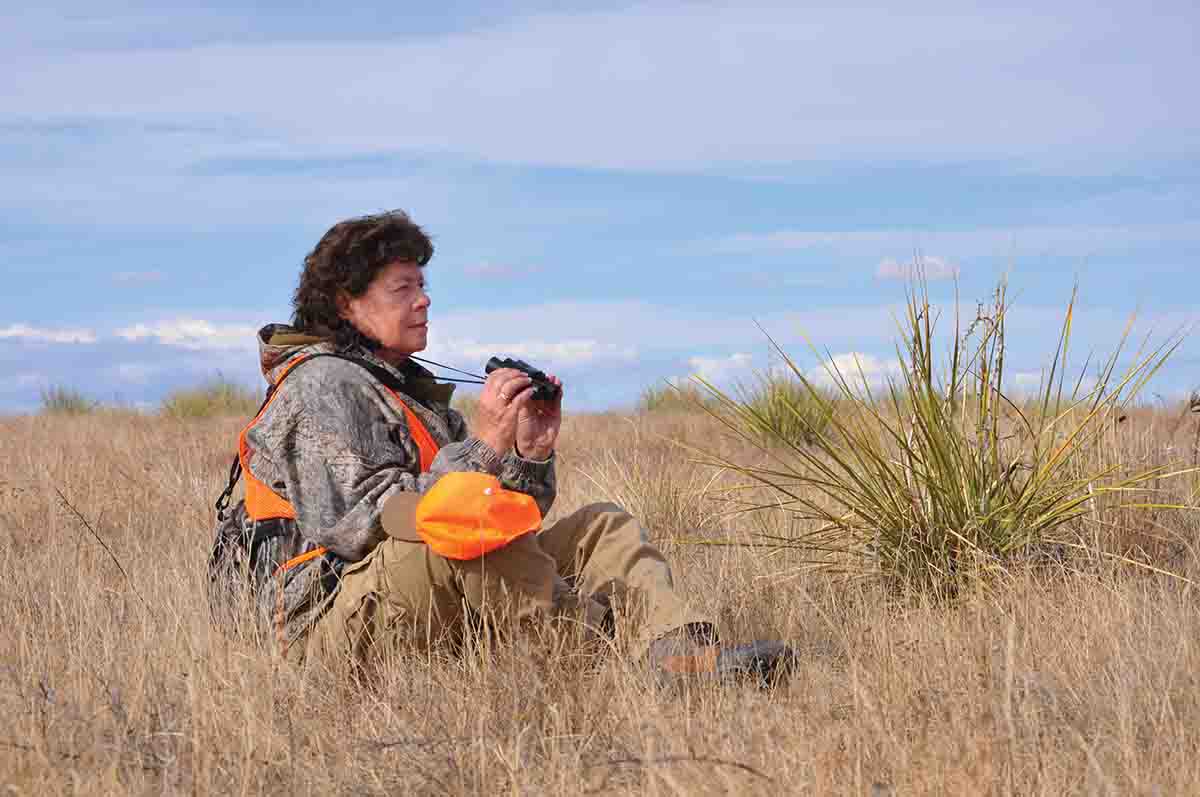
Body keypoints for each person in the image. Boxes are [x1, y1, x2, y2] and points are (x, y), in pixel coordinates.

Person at [207, 210, 794, 683]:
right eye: (402, 288)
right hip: (320, 632)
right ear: (346, 304)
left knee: (601, 528)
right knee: (467, 535)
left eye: (423, 285)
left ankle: (680, 652)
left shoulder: (407, 393)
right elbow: (362, 525)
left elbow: (515, 516)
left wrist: (528, 453)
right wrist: (485, 444)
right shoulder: (321, 385)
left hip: (409, 594)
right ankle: (603, 664)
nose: (424, 300)